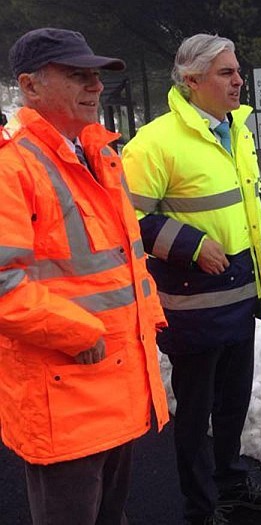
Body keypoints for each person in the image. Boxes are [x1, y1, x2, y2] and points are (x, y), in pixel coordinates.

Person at [0, 28, 170, 524]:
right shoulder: (13, 168)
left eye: (96, 75)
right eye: (77, 74)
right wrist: (81, 332)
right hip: (64, 394)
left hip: (116, 380)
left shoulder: (99, 154)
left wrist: (149, 318)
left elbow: (124, 256)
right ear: (30, 86)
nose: (95, 86)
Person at [122, 34, 261, 525]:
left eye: (237, 71)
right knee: (196, 412)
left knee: (234, 402)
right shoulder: (155, 142)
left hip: (243, 294)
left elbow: (243, 200)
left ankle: (231, 483)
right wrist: (189, 244)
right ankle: (201, 506)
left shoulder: (240, 130)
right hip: (194, 305)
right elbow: (125, 218)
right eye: (225, 73)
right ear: (192, 82)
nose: (238, 80)